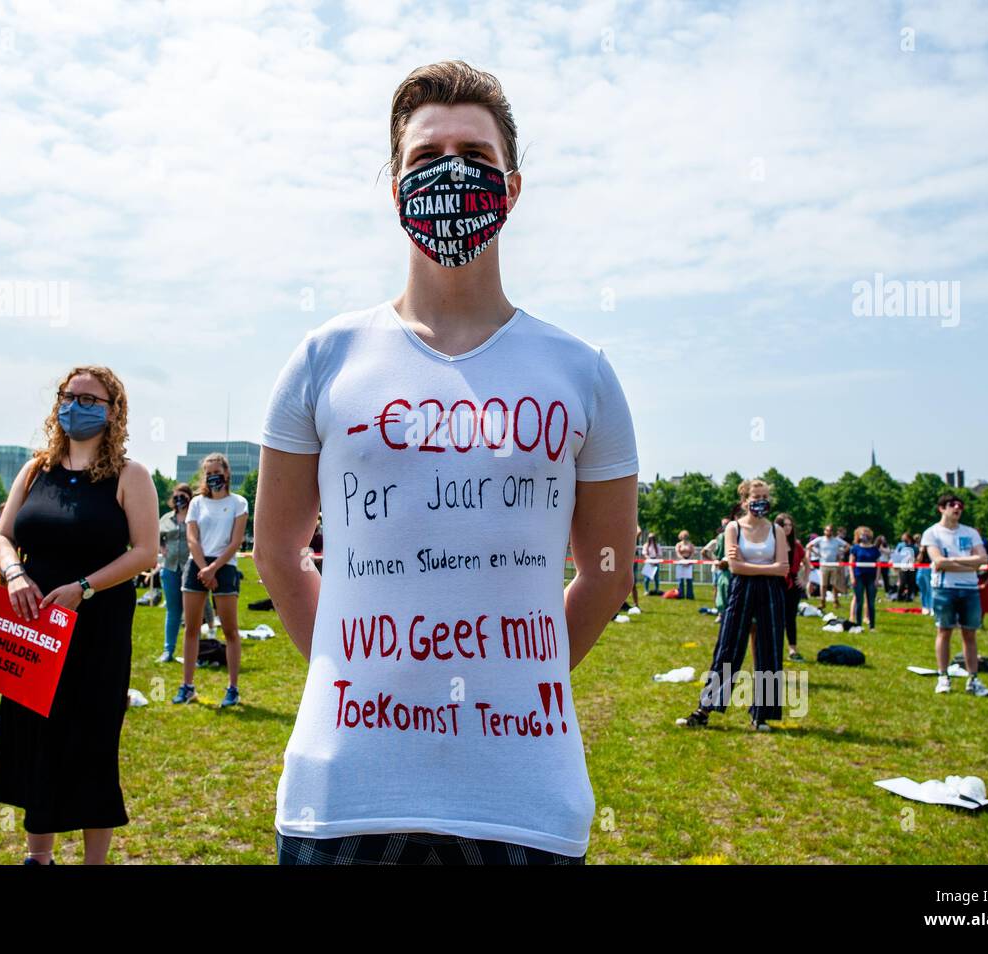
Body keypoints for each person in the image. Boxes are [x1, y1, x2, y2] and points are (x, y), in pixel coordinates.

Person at [253, 61, 638, 866]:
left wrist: (510, 671)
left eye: (475, 154)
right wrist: (350, 668)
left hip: (525, 797)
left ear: (515, 185)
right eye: (427, 159)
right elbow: (278, 554)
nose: (451, 173)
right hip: (342, 793)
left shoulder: (583, 371)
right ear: (393, 185)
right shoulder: (324, 358)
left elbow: (606, 574)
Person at [0, 366, 158, 864]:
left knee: (91, 741)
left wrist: (84, 588)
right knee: (35, 739)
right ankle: (37, 856)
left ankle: (93, 862)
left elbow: (145, 552)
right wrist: (15, 574)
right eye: (70, 396)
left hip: (96, 627)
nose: (77, 405)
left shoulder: (130, 475)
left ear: (113, 411)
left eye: (90, 399)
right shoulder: (35, 469)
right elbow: (1, 536)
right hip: (33, 623)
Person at [679, 479, 789, 731]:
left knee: (769, 650)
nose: (761, 501)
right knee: (728, 647)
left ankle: (761, 714)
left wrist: (752, 566)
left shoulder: (776, 530)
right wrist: (766, 567)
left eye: (764, 496)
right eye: (756, 496)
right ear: (744, 500)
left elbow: (783, 569)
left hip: (771, 593)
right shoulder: (733, 528)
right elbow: (735, 567)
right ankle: (704, 709)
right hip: (741, 589)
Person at [172, 454, 248, 708]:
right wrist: (204, 569)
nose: (212, 476)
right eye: (208, 472)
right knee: (192, 628)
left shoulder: (239, 502)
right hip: (198, 565)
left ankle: (233, 688)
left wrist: (214, 569)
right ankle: (187, 686)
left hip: (225, 567)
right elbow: (192, 538)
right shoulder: (196, 503)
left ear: (227, 474)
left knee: (230, 630)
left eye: (217, 471)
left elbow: (236, 541)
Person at [923, 492, 988, 696]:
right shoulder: (932, 533)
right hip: (945, 589)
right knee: (944, 631)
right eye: (952, 504)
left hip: (970, 588)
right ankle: (943, 676)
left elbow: (983, 558)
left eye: (960, 505)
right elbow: (938, 561)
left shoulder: (970, 533)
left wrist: (952, 563)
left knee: (970, 633)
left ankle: (973, 678)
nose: (957, 508)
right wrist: (969, 563)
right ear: (942, 508)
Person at [157, 483, 192, 663]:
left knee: (193, 612)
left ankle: (194, 652)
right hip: (170, 568)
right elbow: (156, 535)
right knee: (173, 611)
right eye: (177, 496)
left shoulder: (195, 516)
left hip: (190, 568)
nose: (179, 499)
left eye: (183, 496)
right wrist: (162, 547)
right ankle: (168, 650)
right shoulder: (166, 519)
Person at [775, 513, 805, 661]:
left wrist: (803, 579)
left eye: (789, 525)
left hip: (793, 584)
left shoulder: (796, 545)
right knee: (775, 617)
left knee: (790, 618)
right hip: (776, 582)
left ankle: (793, 649)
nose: (787, 528)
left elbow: (807, 563)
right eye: (784, 525)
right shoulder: (772, 543)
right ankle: (775, 648)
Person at [806, 524, 848, 611]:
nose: (828, 532)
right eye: (827, 530)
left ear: (832, 532)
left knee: (834, 584)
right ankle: (822, 602)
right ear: (824, 531)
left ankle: (836, 602)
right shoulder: (820, 539)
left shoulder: (836, 540)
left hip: (834, 565)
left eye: (830, 530)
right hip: (823, 565)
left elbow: (848, 546)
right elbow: (808, 546)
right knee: (823, 585)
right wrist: (817, 554)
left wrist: (841, 553)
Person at [847, 526, 880, 631]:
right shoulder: (855, 548)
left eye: (866, 533)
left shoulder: (875, 549)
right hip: (858, 576)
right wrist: (852, 577)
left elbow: (879, 565)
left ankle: (872, 626)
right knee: (859, 601)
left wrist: (877, 579)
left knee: (871, 602)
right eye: (862, 533)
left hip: (871, 577)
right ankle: (858, 625)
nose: (864, 535)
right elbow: (851, 563)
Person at [893, 532, 917, 600]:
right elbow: (896, 554)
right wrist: (895, 564)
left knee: (911, 582)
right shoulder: (900, 545)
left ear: (908, 538)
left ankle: (909, 597)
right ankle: (899, 596)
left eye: (904, 537)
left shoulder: (914, 546)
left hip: (911, 566)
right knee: (902, 582)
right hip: (902, 566)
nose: (903, 538)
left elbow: (916, 555)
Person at [674, 530, 696, 601]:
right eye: (683, 536)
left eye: (686, 536)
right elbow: (677, 553)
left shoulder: (690, 544)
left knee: (689, 579)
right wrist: (683, 560)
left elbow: (693, 552)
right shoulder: (678, 544)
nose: (684, 537)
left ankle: (689, 595)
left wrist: (688, 560)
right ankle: (681, 594)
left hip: (689, 562)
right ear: (680, 537)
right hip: (681, 561)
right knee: (681, 580)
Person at [915, 543, 934, 615]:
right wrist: (921, 551)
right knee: (923, 589)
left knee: (930, 589)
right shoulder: (921, 550)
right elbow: (918, 560)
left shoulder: (933, 548)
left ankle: (931, 607)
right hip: (922, 569)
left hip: (930, 569)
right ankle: (925, 607)